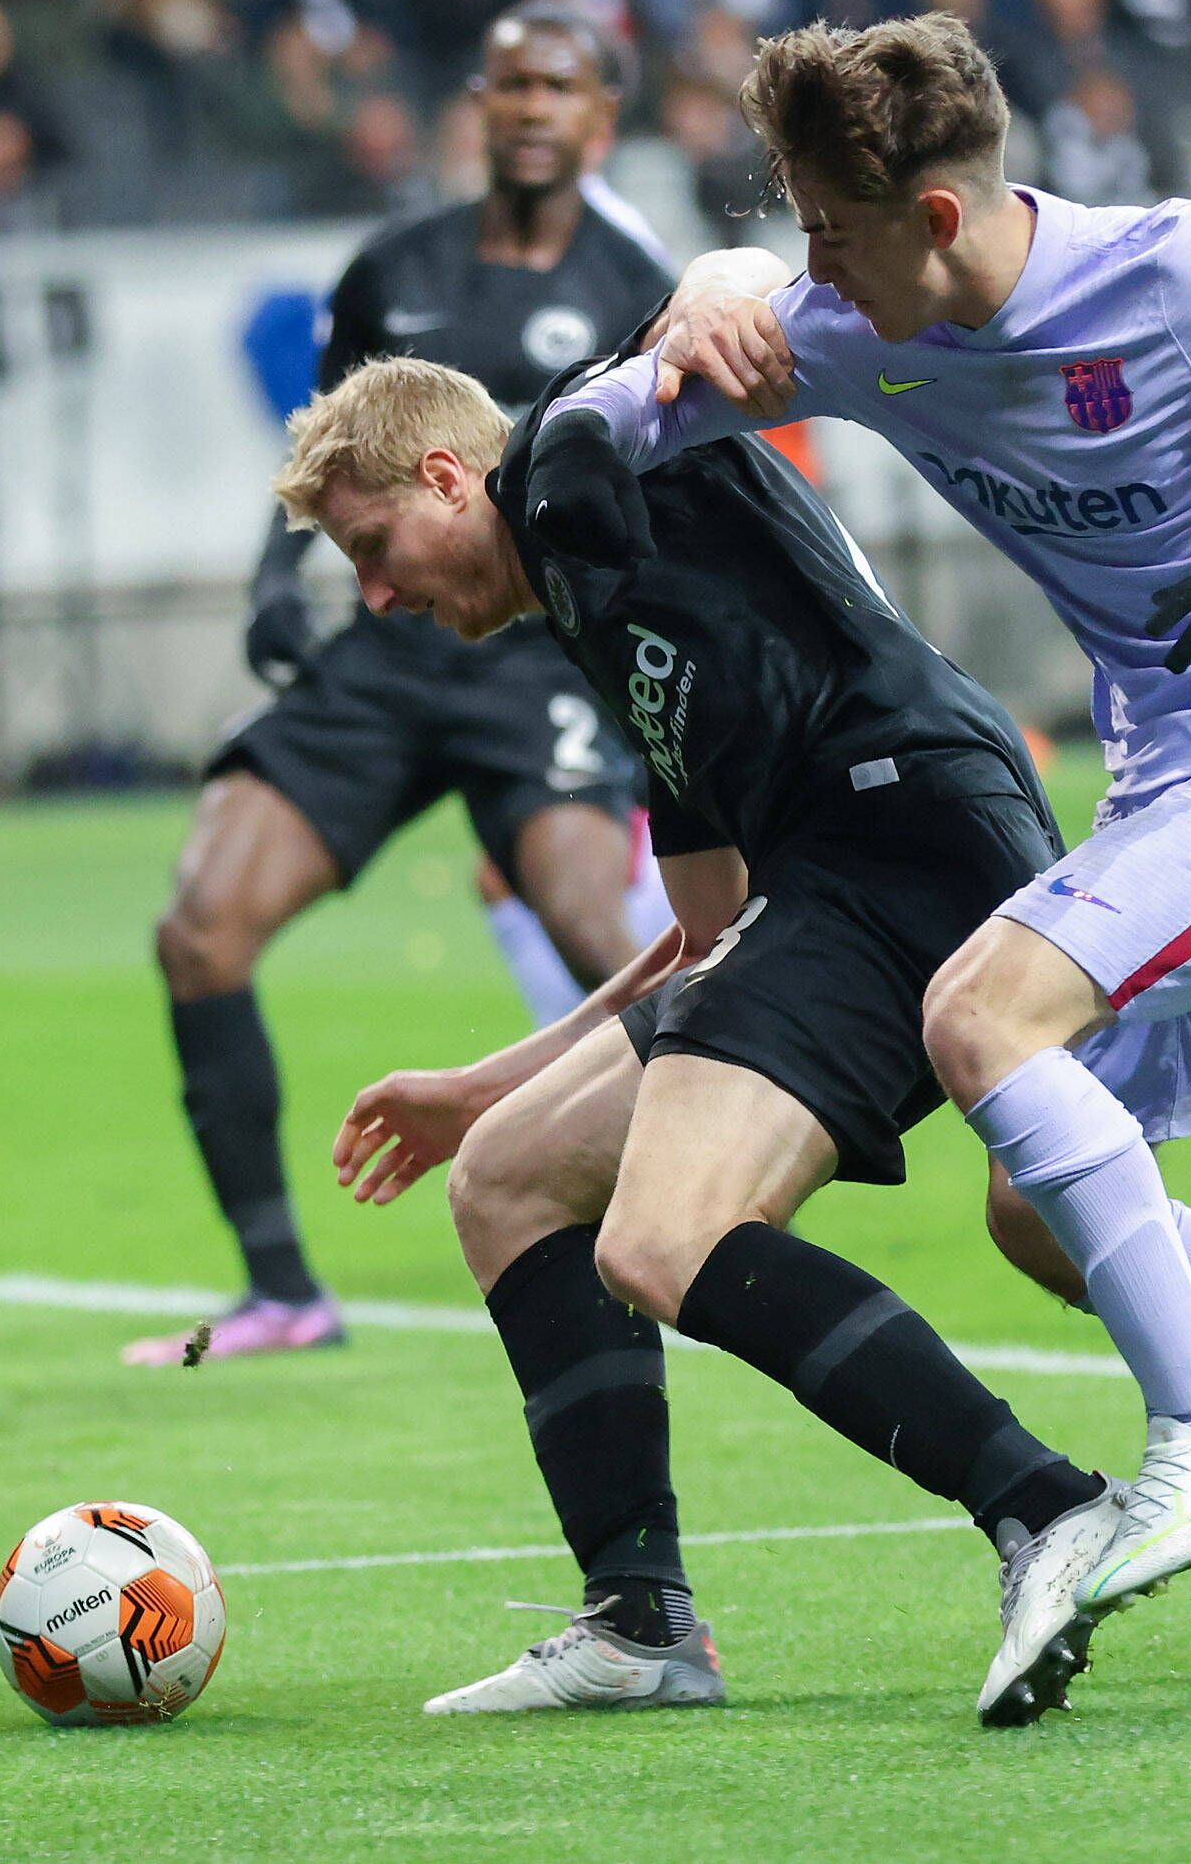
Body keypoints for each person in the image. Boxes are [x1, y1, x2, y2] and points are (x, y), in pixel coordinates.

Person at [558, 12, 1191, 1679]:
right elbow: (623, 423)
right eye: (790, 229)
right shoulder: (854, 320)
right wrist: (660, 344)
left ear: (935, 218)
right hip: (1171, 781)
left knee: (976, 1013)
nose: (811, 268)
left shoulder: (1177, 274)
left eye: (826, 230)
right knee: (1034, 1203)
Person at [286, 352, 1126, 1725]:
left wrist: (706, 304)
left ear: (450, 476)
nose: (378, 595)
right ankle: (639, 1625)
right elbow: (705, 933)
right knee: (505, 1173)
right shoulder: (587, 608)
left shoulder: (570, 465)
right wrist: (484, 1084)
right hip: (831, 885)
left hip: (910, 837)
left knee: (663, 1235)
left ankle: (1046, 1503)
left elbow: (668, 366)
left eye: (374, 549)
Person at [126, 4, 675, 1368]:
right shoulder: (394, 266)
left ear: (599, 120)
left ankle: (691, 1212)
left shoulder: (637, 279)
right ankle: (282, 1290)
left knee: (595, 924)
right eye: (509, 86)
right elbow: (325, 443)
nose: (531, 108)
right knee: (200, 929)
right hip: (386, 646)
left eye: (559, 88)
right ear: (476, 109)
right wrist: (275, 570)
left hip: (534, 652)